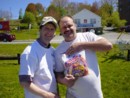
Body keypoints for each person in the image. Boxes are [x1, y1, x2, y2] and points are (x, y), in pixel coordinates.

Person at [54, 15, 113, 98]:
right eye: (64, 27)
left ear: (75, 25)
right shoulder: (58, 51)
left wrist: (82, 45)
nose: (67, 29)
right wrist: (63, 80)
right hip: (73, 95)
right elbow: (58, 73)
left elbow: (108, 46)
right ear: (60, 30)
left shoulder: (87, 36)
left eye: (70, 26)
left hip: (95, 94)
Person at [19, 16, 60, 98]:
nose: (49, 32)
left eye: (52, 29)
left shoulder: (53, 51)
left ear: (55, 33)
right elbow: (24, 82)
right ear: (40, 30)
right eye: (46, 28)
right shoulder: (30, 52)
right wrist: (48, 95)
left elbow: (52, 77)